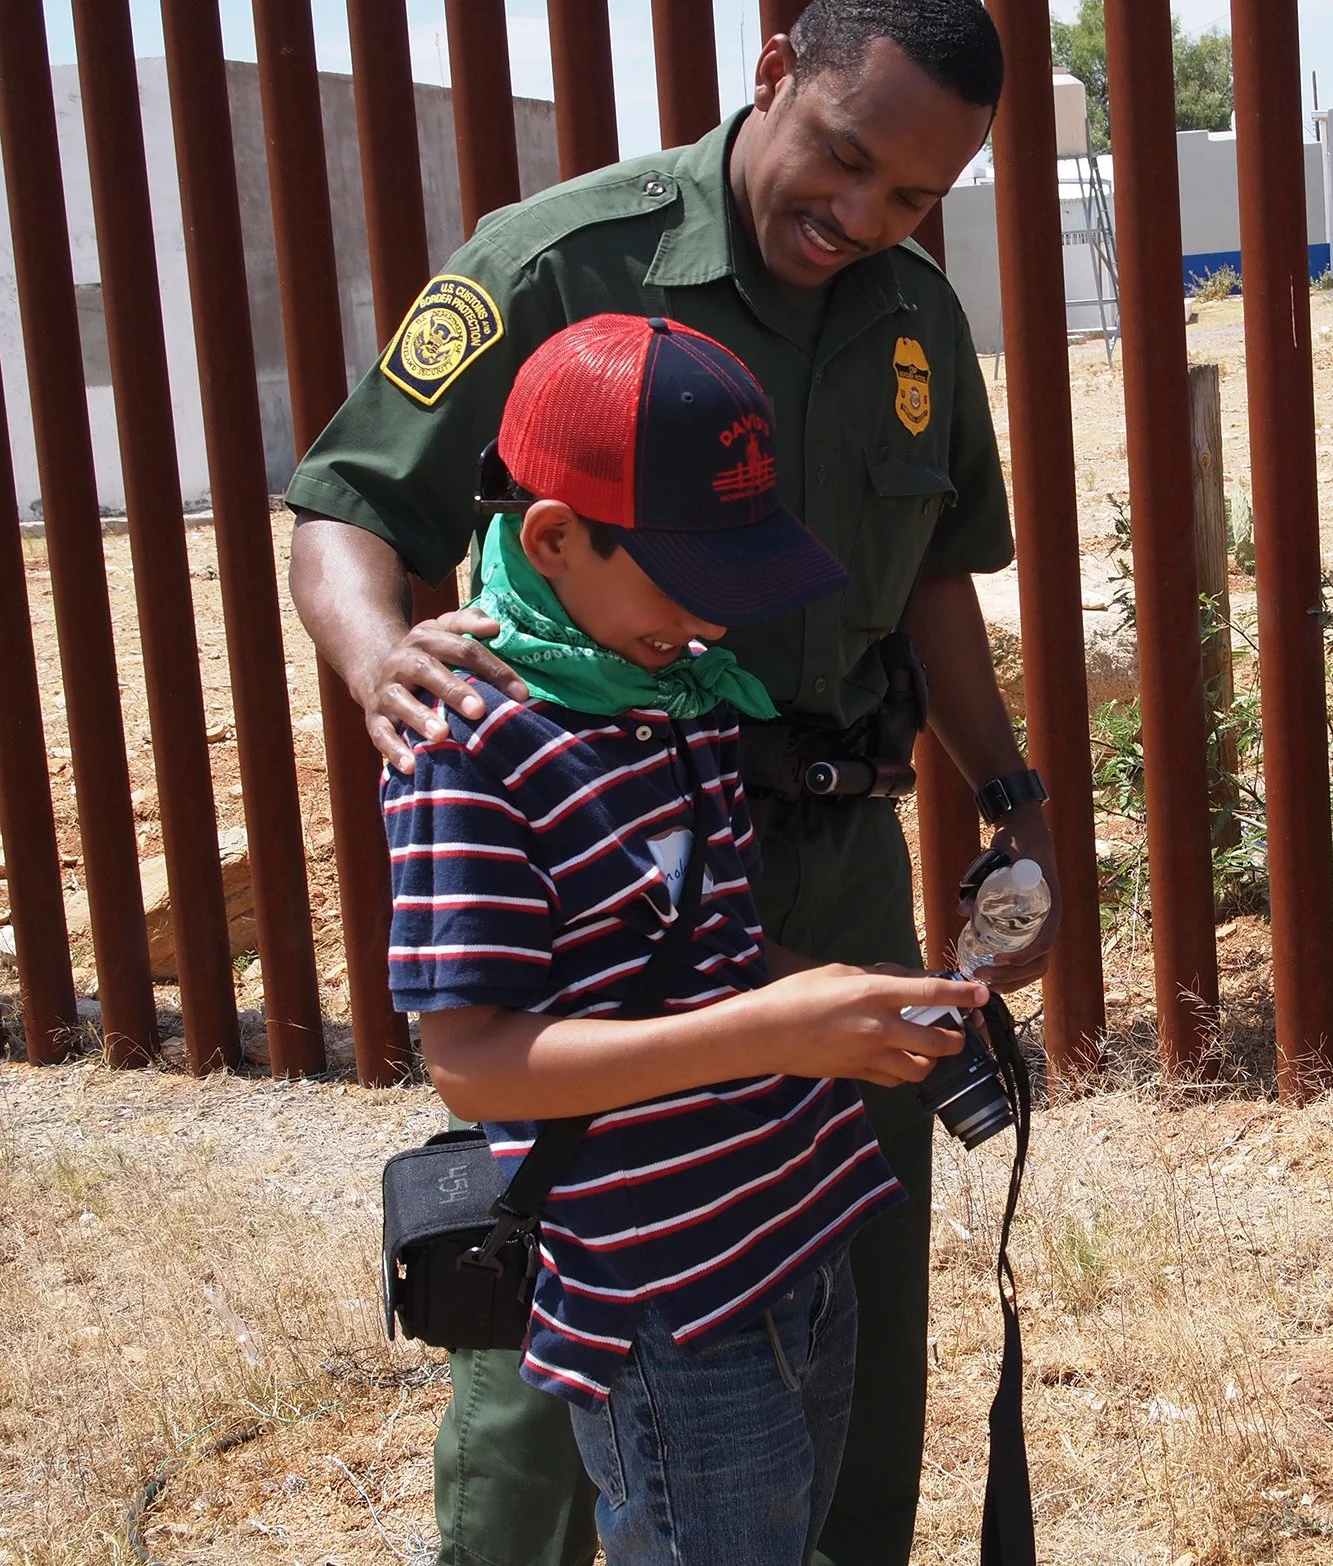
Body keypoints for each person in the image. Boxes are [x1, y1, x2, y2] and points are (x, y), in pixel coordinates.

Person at [286, 3, 1056, 1561]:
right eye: (845, 161)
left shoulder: (911, 313)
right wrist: (381, 664)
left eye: (915, 197)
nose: (865, 219)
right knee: (574, 1330)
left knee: (834, 1277)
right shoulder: (561, 259)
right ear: (772, 70)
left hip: (830, 856)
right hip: (600, 872)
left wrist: (1010, 793)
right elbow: (349, 505)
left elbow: (931, 583)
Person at [386, 311, 990, 1562]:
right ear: (554, 537)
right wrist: (770, 1027)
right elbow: (477, 1062)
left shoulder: (675, 695)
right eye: (691, 588)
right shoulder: (474, 752)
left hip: (795, 1236)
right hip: (669, 1302)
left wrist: (835, 997)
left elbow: (698, 957)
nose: (715, 627)